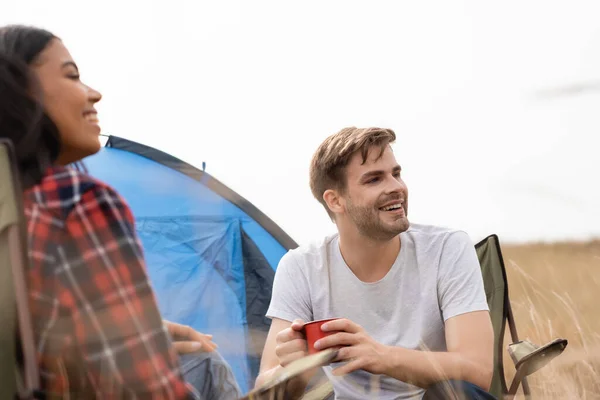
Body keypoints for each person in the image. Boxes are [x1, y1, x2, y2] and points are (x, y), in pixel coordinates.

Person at [0, 25, 240, 399]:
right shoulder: (74, 203)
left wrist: (145, 332)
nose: (94, 94)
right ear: (21, 92)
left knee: (203, 362)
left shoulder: (14, 211)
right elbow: (149, 390)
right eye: (72, 76)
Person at [257, 127, 496, 399]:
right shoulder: (301, 267)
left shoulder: (446, 248)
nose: (396, 188)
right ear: (335, 200)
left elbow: (478, 371)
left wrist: (382, 356)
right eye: (374, 179)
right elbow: (263, 390)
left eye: (396, 174)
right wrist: (292, 370)